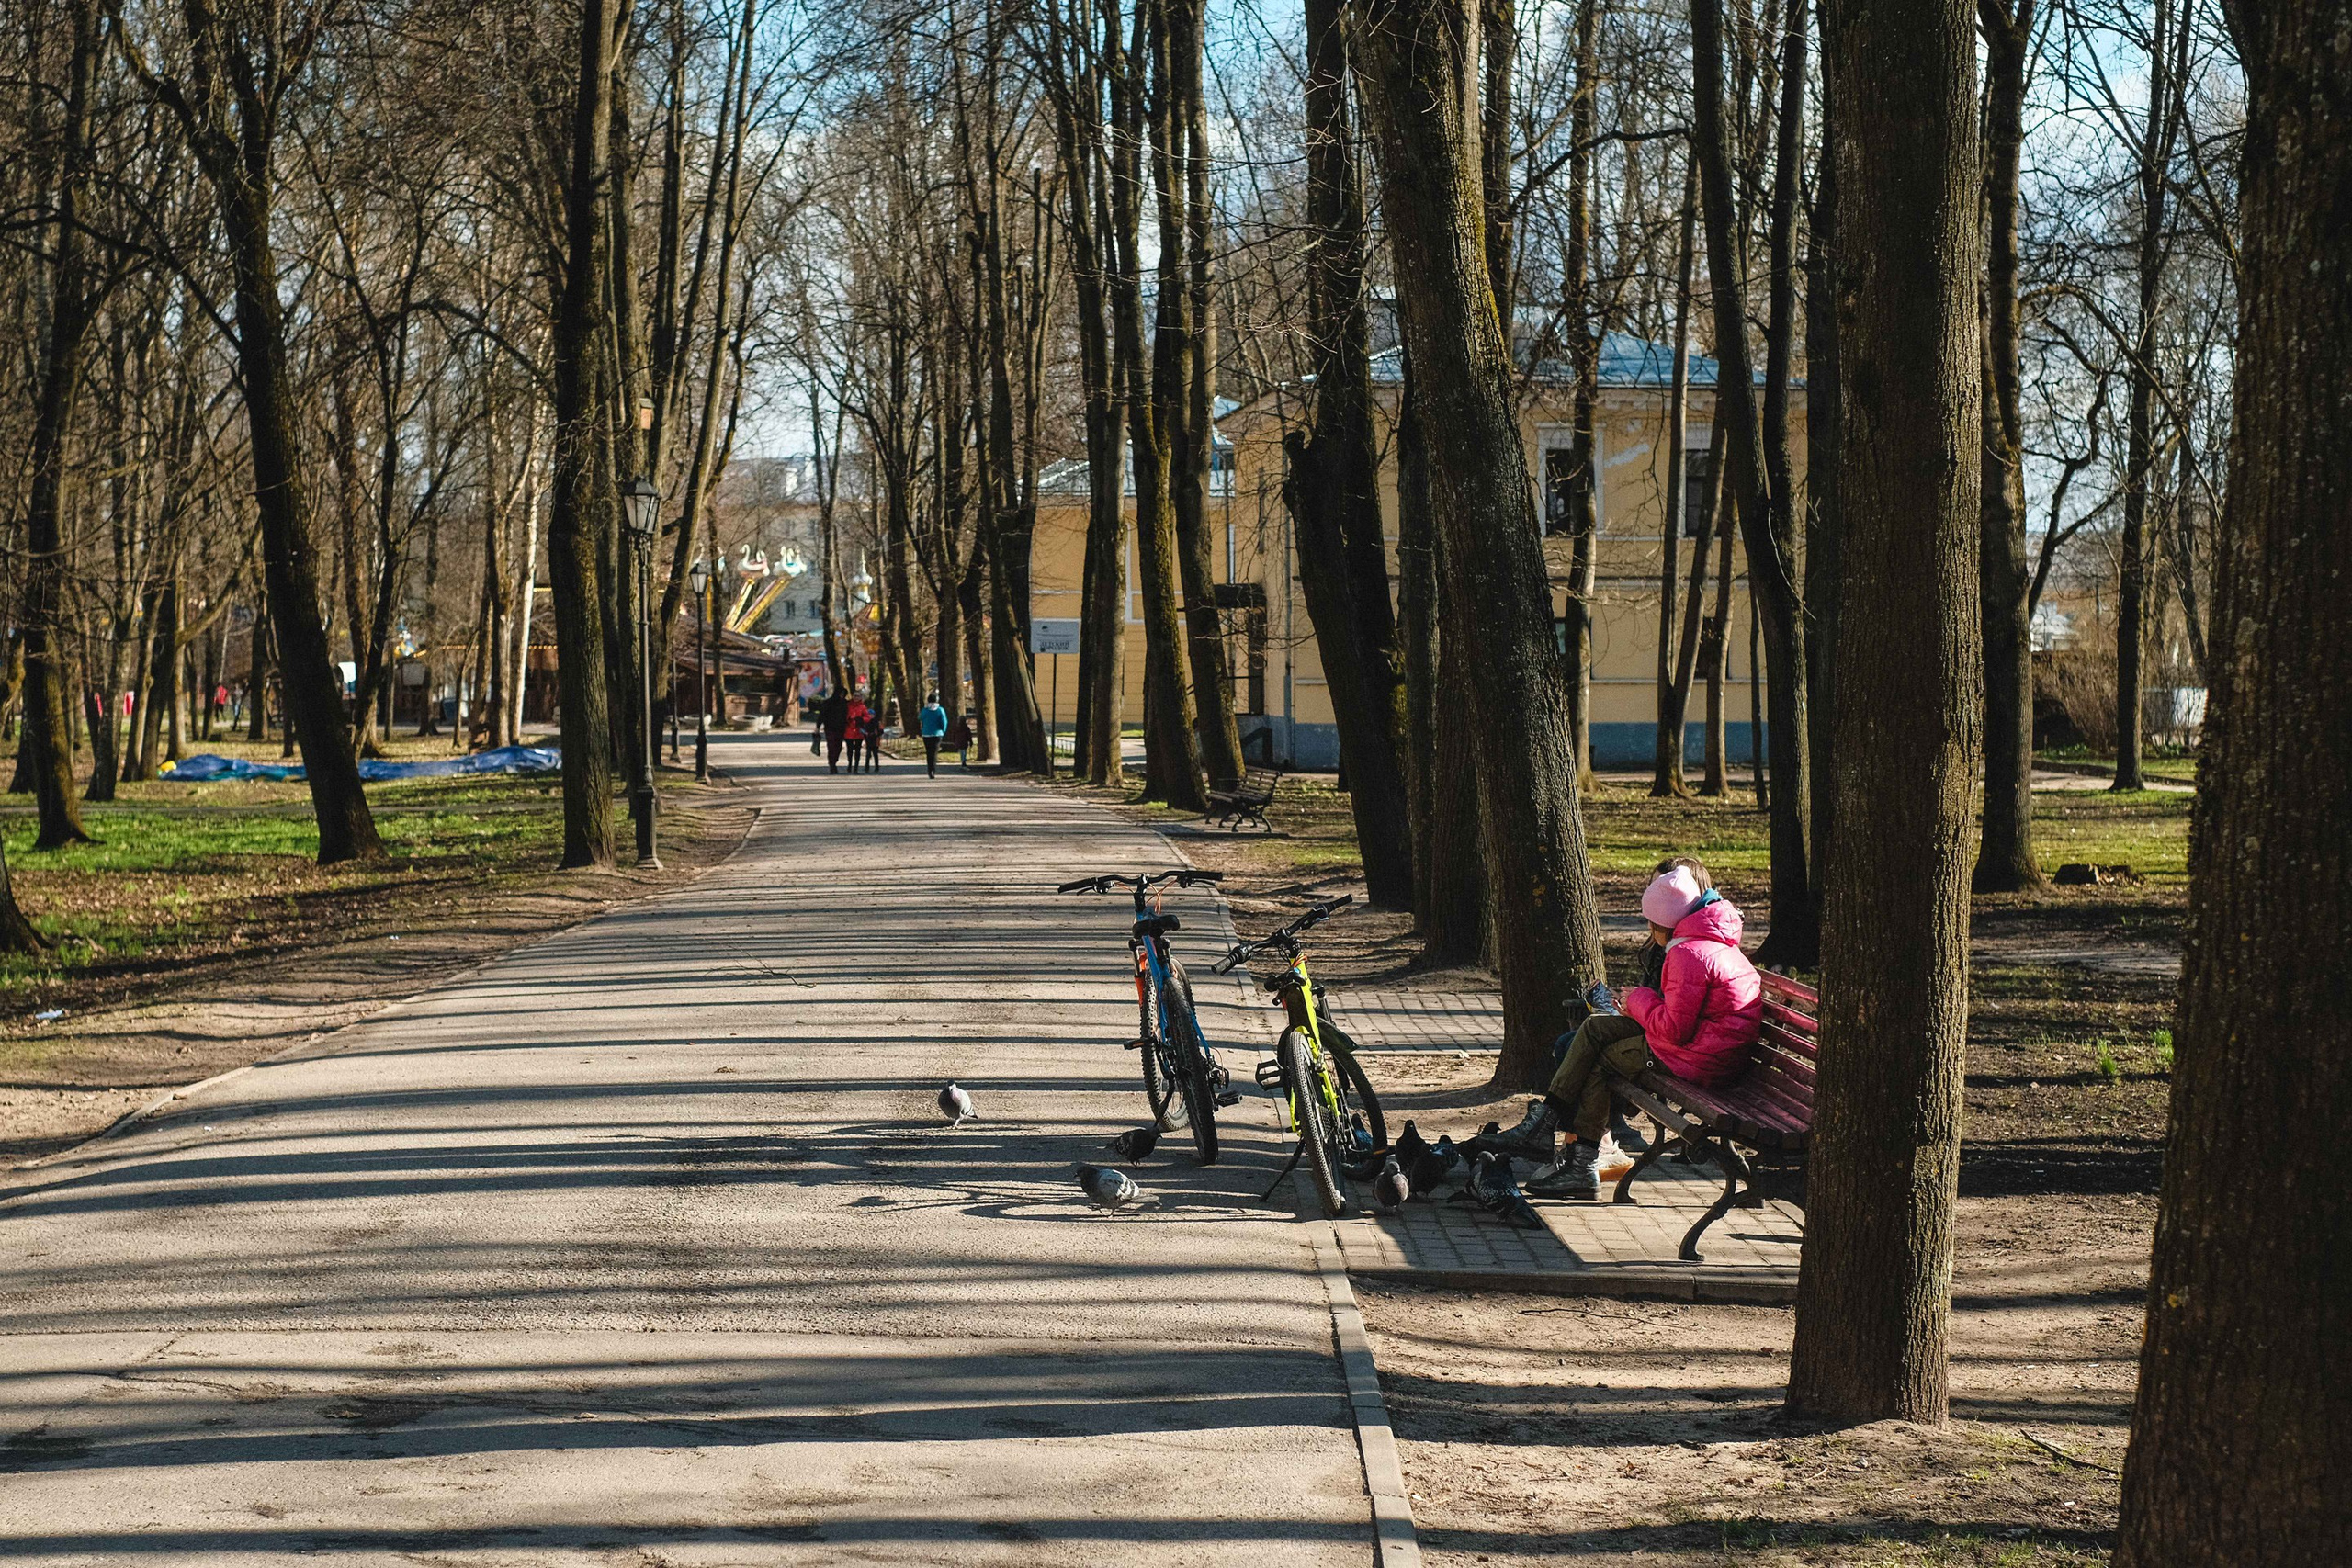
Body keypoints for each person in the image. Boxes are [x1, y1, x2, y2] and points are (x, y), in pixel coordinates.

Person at [1490, 858, 1763, 1198]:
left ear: (1664, 923)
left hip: (1695, 1060)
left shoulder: (1688, 954)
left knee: (1602, 1062)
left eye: (1651, 924)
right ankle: (1549, 1122)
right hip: (1709, 1050)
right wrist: (1637, 1004)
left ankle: (1580, 1164)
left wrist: (1638, 1000)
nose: (1650, 931)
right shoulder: (1711, 940)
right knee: (1594, 1029)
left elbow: (1674, 1030)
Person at [818, 685, 850, 773]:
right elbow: (822, 715)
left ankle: (834, 761)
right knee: (831, 746)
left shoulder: (846, 704)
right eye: (841, 693)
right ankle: (832, 765)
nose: (842, 695)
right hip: (830, 727)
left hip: (841, 728)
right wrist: (817, 727)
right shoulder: (828, 703)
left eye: (844, 694)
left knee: (838, 747)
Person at [918, 692, 949, 777]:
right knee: (934, 752)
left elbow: (919, 718)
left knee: (929, 752)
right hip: (937, 734)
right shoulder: (940, 710)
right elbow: (944, 722)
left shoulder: (925, 710)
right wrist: (943, 730)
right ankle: (933, 770)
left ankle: (929, 770)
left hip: (926, 734)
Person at [843, 694, 873, 772]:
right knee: (849, 749)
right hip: (849, 730)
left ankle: (856, 766)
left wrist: (861, 719)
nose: (856, 698)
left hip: (858, 731)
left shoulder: (862, 707)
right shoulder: (848, 705)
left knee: (857, 749)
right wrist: (848, 718)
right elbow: (843, 715)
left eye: (858, 696)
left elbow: (867, 717)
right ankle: (849, 764)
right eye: (855, 696)